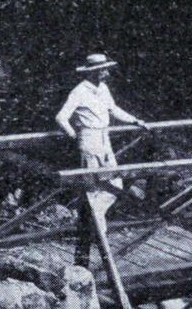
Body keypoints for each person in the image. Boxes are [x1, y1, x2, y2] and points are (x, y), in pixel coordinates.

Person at [56, 53, 150, 261]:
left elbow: (113, 109)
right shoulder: (79, 91)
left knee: (114, 185)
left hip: (104, 140)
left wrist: (135, 121)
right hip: (89, 141)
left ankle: (96, 224)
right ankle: (97, 232)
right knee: (93, 188)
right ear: (93, 71)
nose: (107, 72)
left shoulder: (103, 89)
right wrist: (75, 135)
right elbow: (61, 117)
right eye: (103, 69)